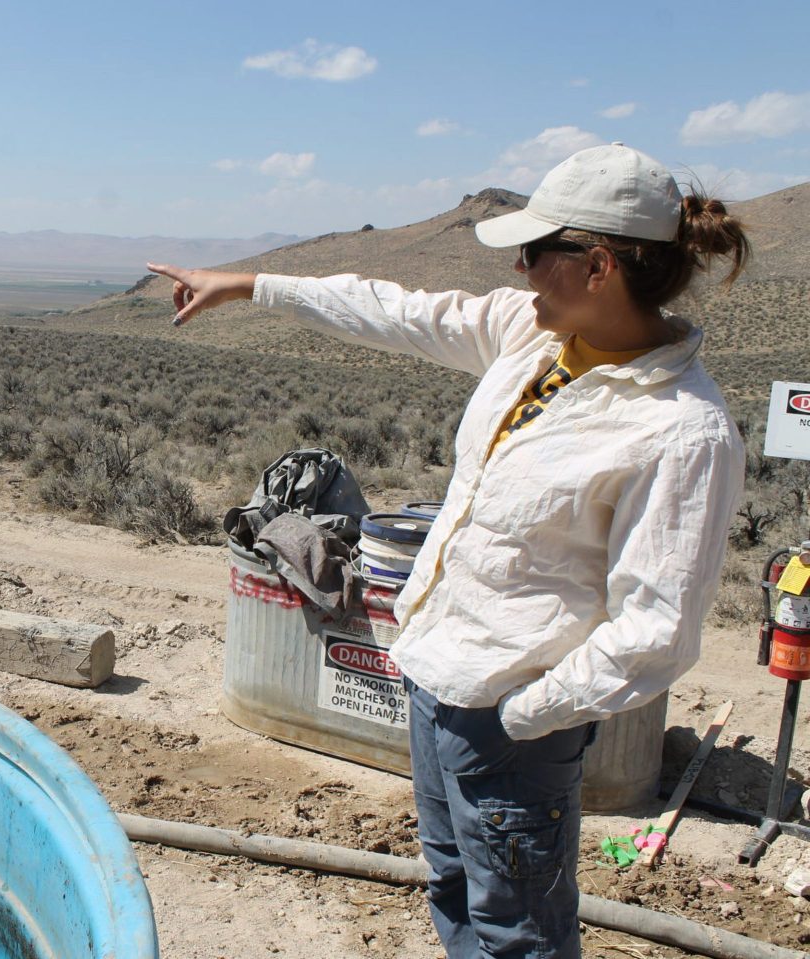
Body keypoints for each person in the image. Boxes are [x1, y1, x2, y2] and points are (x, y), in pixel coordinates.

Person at [148, 142, 749, 959]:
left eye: (538, 252)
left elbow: (656, 631)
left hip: (509, 717)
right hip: (433, 675)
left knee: (519, 933)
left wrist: (520, 714)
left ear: (600, 265)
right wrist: (252, 286)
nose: (523, 269)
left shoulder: (681, 428)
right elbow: (396, 308)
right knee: (453, 887)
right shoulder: (534, 339)